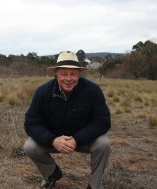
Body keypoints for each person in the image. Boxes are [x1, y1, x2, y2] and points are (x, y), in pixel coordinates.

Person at [23, 51, 111, 189]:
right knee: (30, 146)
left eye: (73, 74)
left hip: (83, 141)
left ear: (79, 74)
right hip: (54, 141)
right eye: (64, 74)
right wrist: (53, 140)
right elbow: (31, 123)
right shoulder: (43, 92)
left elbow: (103, 121)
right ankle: (52, 173)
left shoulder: (93, 91)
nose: (69, 78)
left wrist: (77, 139)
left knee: (103, 143)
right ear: (56, 74)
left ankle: (94, 186)